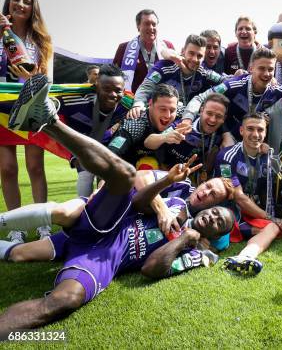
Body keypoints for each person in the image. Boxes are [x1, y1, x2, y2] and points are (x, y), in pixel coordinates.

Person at [0, 75, 232, 332]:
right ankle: (47, 119)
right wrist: (164, 187)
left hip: (105, 256)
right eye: (209, 191)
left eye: (216, 213)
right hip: (106, 216)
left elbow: (152, 268)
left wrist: (185, 239)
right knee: (125, 176)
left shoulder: (195, 249)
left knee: (61, 295)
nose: (210, 211)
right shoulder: (178, 192)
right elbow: (141, 190)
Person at [0, 0, 53, 243]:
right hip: (0, 110)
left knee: (35, 166)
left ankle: (42, 223)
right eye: (15, 0)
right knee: (7, 169)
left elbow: (47, 79)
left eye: (26, 1)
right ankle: (16, 225)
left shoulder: (41, 40)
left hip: (30, 105)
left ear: (33, 8)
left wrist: (29, 77)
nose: (20, 4)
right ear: (8, 4)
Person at [215, 113, 282, 275]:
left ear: (265, 133)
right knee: (273, 224)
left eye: (260, 130)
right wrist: (270, 217)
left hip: (249, 212)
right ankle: (235, 235)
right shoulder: (227, 156)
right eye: (250, 129)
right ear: (241, 131)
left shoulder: (268, 156)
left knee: (277, 228)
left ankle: (244, 257)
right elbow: (238, 197)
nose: (255, 134)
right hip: (225, 212)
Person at [57, 64, 130, 197]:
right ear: (96, 86)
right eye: (106, 89)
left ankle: (100, 210)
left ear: (124, 90)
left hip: (110, 147)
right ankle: (83, 207)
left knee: (109, 176)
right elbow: (46, 103)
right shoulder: (74, 100)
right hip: (83, 146)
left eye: (118, 90)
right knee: (86, 174)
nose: (112, 94)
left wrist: (139, 106)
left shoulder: (127, 106)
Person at [183, 47, 282, 139]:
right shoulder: (233, 85)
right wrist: (187, 119)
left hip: (254, 139)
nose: (266, 74)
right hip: (228, 137)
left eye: (271, 69)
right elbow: (200, 98)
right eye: (261, 68)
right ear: (251, 68)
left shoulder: (277, 91)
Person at [128, 34, 225, 119]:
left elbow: (226, 81)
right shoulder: (165, 66)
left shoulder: (204, 72)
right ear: (183, 51)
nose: (195, 59)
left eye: (199, 56)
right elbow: (146, 87)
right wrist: (138, 104)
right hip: (161, 115)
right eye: (191, 53)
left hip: (186, 118)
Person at [147, 93, 234, 183]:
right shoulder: (184, 123)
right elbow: (148, 142)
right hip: (159, 166)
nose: (212, 119)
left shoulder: (221, 138)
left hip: (185, 177)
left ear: (224, 119)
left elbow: (223, 170)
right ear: (201, 111)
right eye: (209, 113)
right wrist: (165, 137)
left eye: (218, 116)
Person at [107, 84, 180, 168]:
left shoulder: (182, 116)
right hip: (127, 170)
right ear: (150, 103)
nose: (167, 115)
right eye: (163, 109)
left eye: (172, 110)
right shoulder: (135, 123)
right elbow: (110, 155)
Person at [112, 9, 174, 92]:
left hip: (162, 101)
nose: (151, 27)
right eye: (147, 24)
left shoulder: (167, 46)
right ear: (138, 26)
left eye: (154, 24)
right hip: (132, 102)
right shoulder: (124, 48)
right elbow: (113, 77)